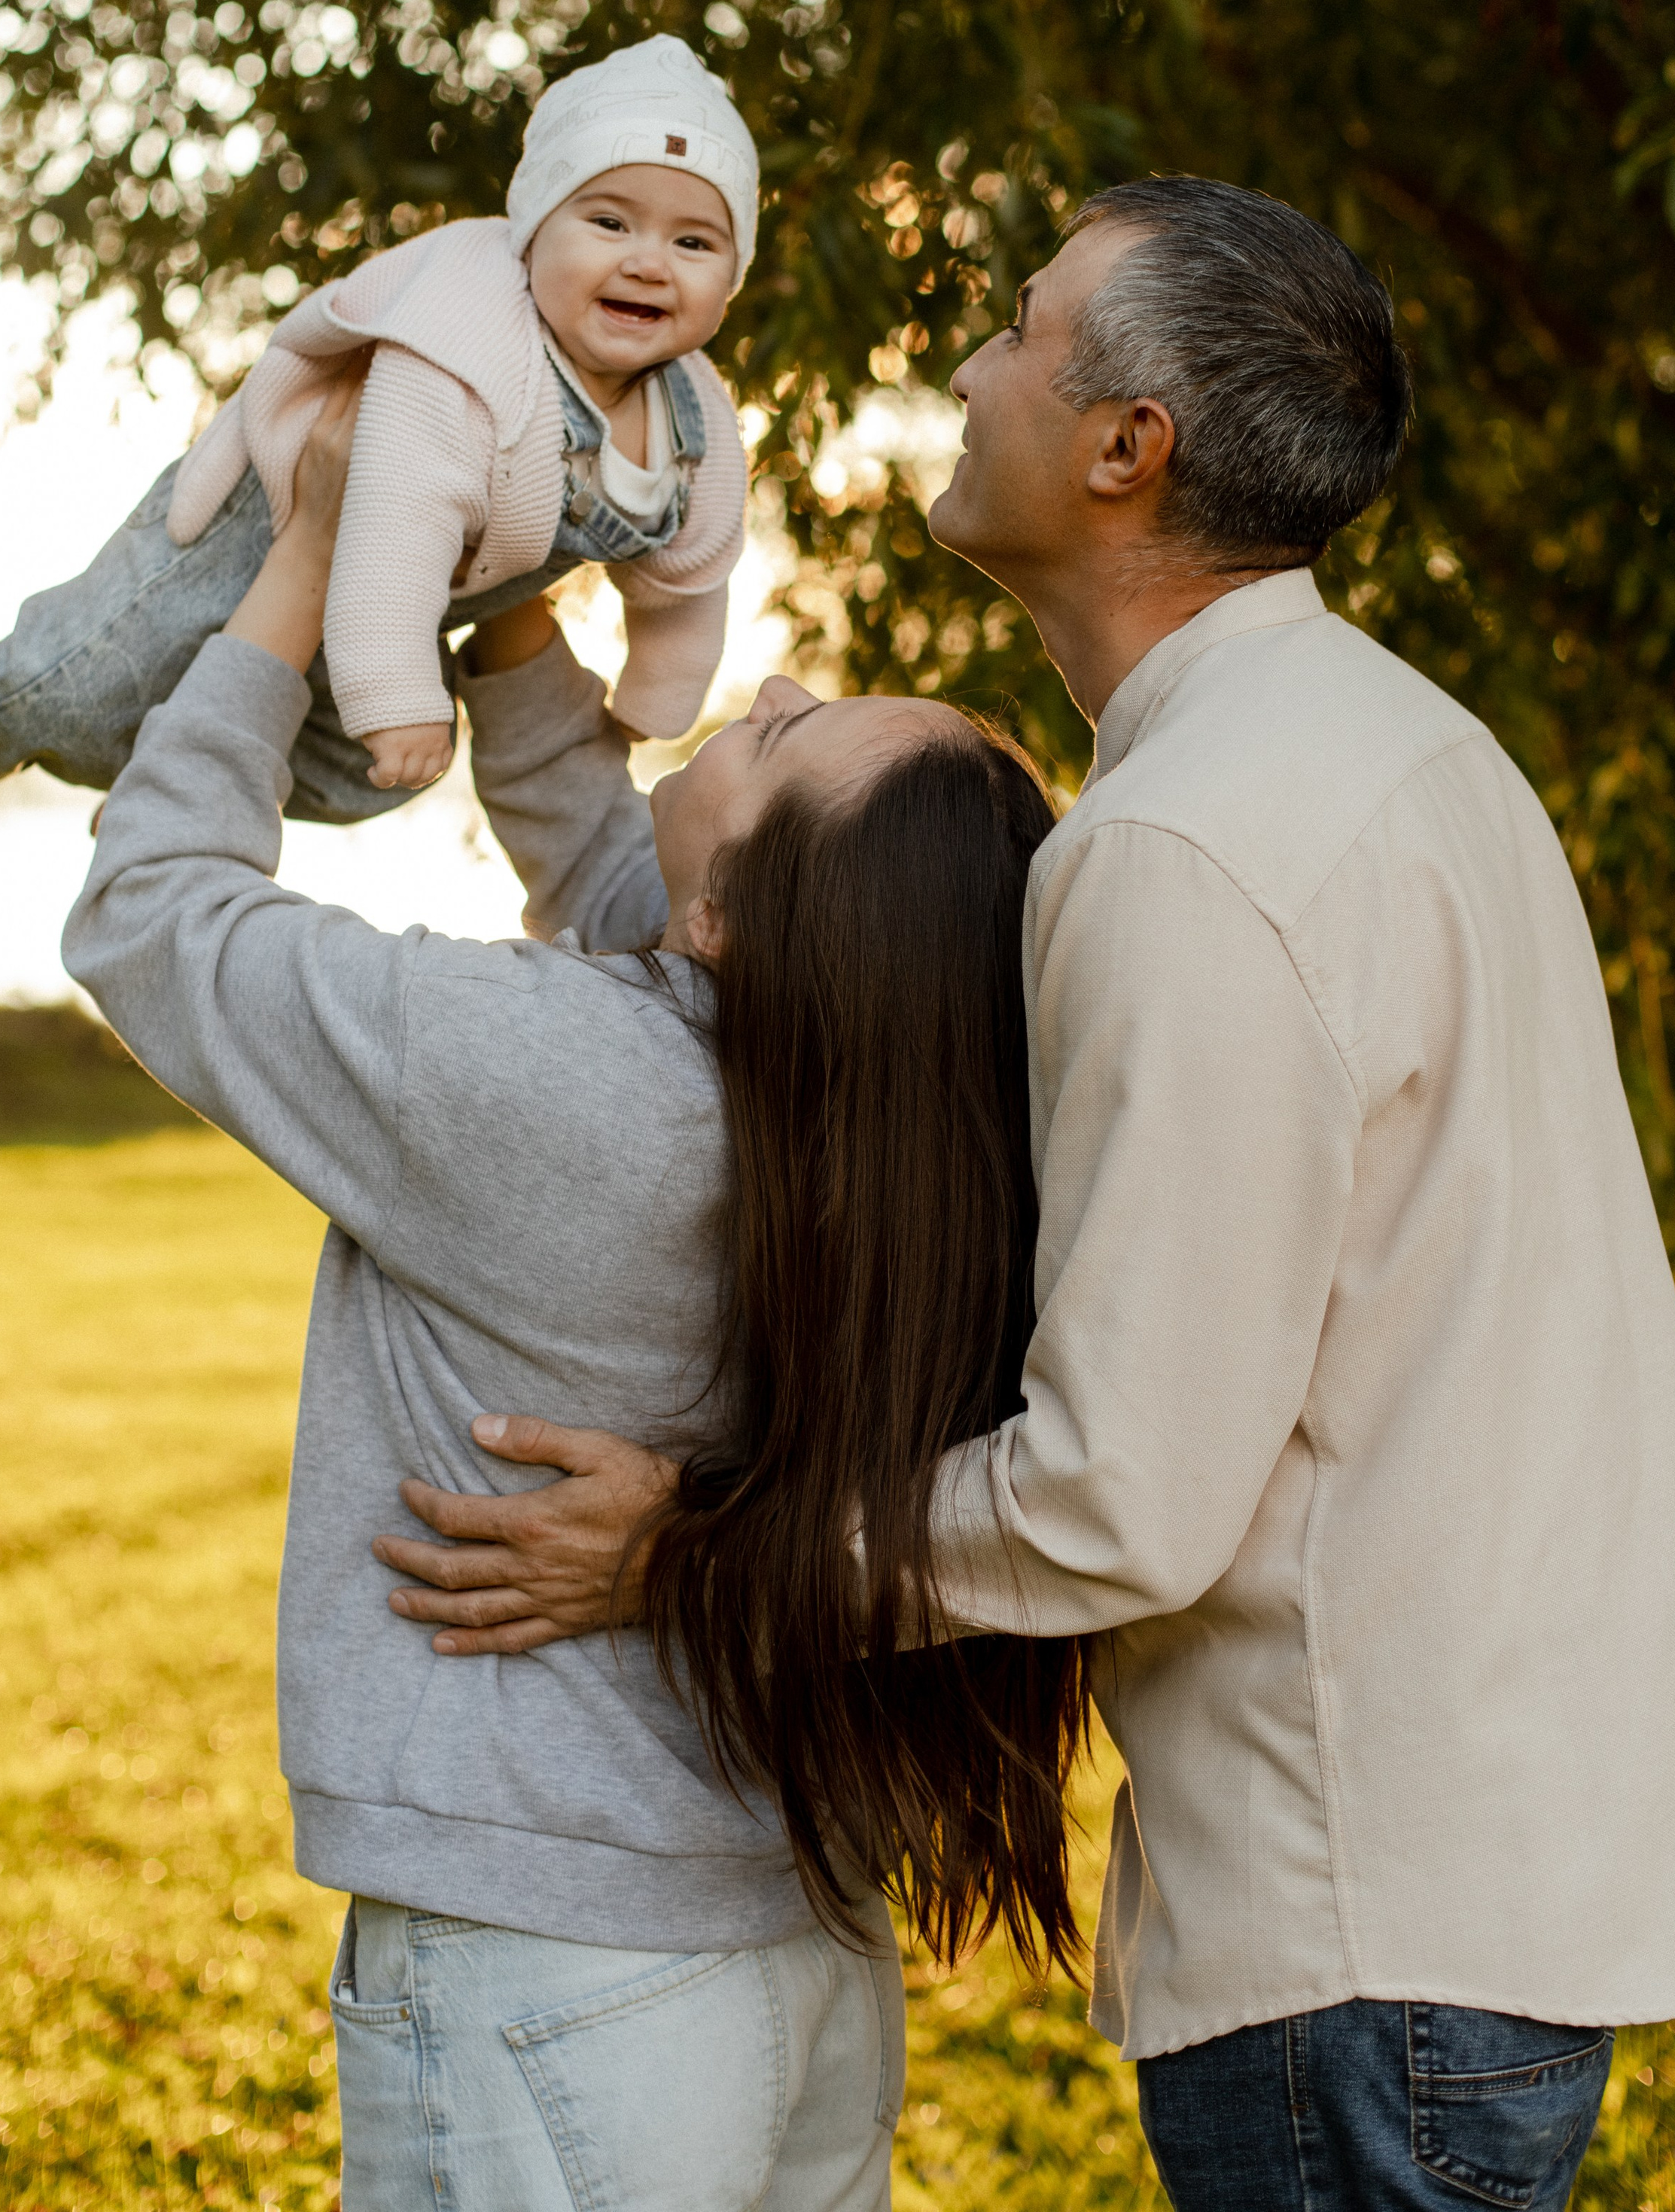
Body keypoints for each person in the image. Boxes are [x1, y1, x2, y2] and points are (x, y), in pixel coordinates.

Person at [375, 175, 1675, 2212]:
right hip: (1475, 1880)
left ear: (1127, 448)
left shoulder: (1184, 854)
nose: (967, 371)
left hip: (1366, 1931)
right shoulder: (1395, 748)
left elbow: (1120, 1499)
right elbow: (712, 906)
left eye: (1019, 333)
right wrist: (512, 614)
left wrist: (702, 1557)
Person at [59, 372, 1083, 2210]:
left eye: (788, 737)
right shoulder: (892, 1122)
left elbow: (153, 915)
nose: (764, 690)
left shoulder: (558, 1087)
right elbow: (629, 870)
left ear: (739, 935)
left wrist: (305, 558)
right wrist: (511, 598)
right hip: (790, 1943)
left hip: (558, 1962)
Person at [0, 34, 751, 820]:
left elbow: (692, 571)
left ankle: (171, 785)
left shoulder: (695, 420)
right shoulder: (462, 352)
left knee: (377, 779)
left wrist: (660, 693)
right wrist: (396, 694)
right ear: (533, 234)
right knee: (71, 683)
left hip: (402, 606)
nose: (649, 261)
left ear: (731, 278)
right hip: (263, 541)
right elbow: (397, 532)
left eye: (693, 241)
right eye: (609, 223)